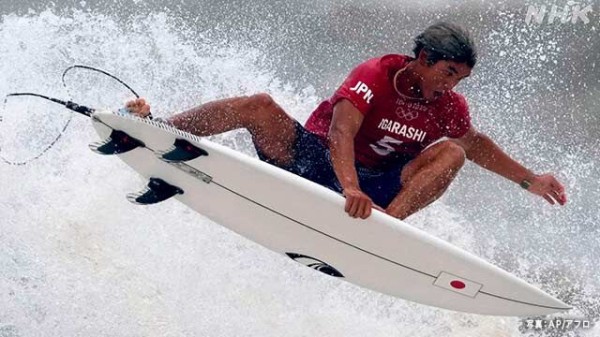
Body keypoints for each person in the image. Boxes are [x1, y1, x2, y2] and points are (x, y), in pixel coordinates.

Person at [125, 22, 567, 220]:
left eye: (461, 78)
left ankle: (387, 228)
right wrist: (348, 187)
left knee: (453, 149)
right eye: (448, 73)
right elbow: (341, 131)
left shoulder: (448, 106)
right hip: (316, 161)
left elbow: (475, 144)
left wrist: (530, 180)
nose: (452, 85)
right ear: (423, 59)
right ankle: (159, 127)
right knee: (258, 105)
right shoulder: (375, 74)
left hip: (377, 190)